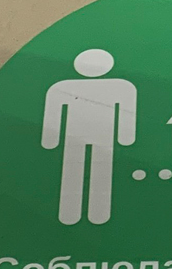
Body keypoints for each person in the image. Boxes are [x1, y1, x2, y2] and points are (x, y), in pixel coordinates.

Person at [42, 48, 137, 225]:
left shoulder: (62, 87)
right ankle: (86, 214)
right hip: (89, 137)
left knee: (81, 170)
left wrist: (50, 140)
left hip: (90, 137)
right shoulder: (120, 86)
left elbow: (52, 115)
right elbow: (127, 113)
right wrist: (126, 137)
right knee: (90, 170)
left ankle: (82, 213)